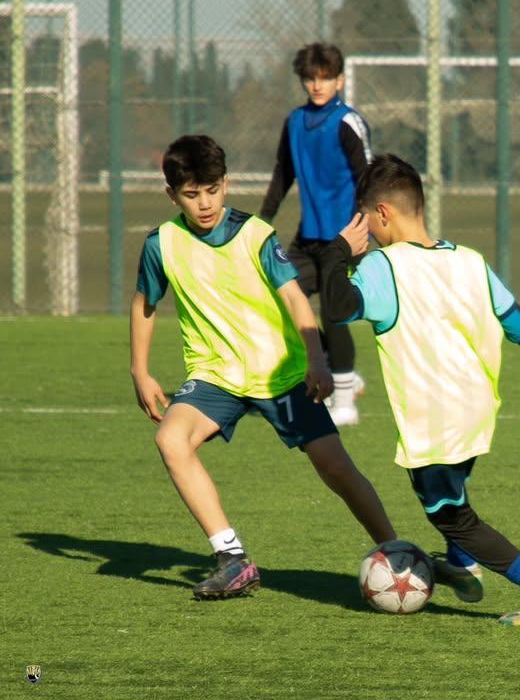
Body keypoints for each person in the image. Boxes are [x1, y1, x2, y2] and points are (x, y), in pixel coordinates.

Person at [321, 154, 520, 628]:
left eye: (365, 220)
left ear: (383, 213)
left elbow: (337, 308)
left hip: (435, 419)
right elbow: (515, 318)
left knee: (451, 518)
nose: (366, 232)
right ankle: (463, 568)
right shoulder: (469, 260)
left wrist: (337, 251)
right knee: (454, 495)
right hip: (476, 408)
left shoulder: (385, 267)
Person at [130, 135, 396, 600]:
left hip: (280, 373)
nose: (204, 203)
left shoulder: (255, 235)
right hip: (216, 375)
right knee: (171, 440)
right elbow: (144, 304)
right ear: (172, 195)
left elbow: (295, 298)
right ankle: (231, 558)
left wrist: (316, 360)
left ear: (226, 184)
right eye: (191, 194)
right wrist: (140, 370)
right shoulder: (162, 244)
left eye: (212, 190)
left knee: (335, 467)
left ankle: (395, 551)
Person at [260, 42, 373, 427]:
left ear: (340, 80)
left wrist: (361, 230)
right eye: (310, 78)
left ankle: (345, 402)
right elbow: (283, 174)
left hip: (343, 239)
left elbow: (367, 179)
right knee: (276, 300)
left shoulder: (348, 122)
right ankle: (340, 372)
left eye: (325, 78)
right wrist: (263, 220)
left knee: (333, 313)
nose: (317, 85)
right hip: (307, 241)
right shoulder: (295, 122)